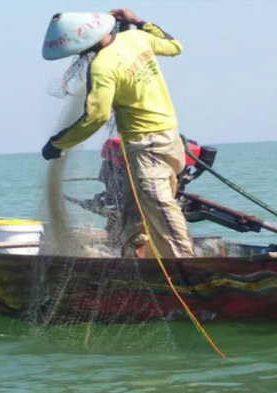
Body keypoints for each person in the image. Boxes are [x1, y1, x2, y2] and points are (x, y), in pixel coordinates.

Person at [40, 9, 195, 258]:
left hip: (146, 146)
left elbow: (95, 117)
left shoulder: (102, 66)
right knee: (136, 206)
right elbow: (174, 46)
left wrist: (58, 144)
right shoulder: (135, 38)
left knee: (159, 207)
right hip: (171, 138)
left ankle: (185, 269)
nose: (80, 55)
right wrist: (138, 22)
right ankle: (135, 261)